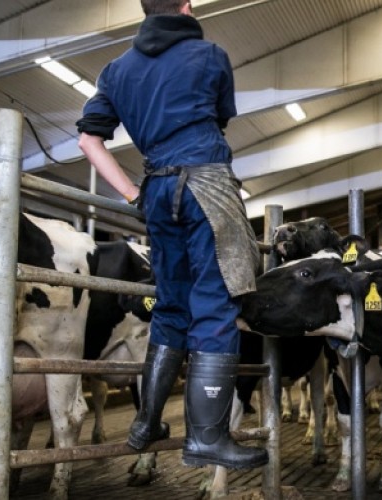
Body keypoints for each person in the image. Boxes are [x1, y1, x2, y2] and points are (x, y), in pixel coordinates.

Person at [75, 0, 266, 470]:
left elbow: (87, 139)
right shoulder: (210, 55)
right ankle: (206, 438)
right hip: (206, 186)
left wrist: (131, 194)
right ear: (186, 5)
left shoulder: (116, 70)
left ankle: (146, 422)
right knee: (215, 304)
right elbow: (219, 119)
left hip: (157, 191)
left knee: (171, 305)